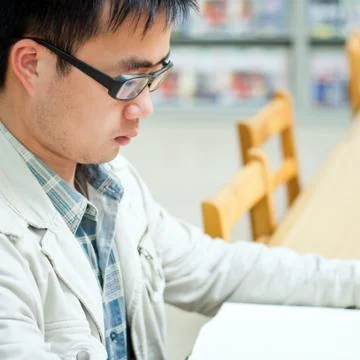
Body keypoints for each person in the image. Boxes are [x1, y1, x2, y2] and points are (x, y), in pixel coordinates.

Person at [0, 1, 359, 359]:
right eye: (128, 82)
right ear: (32, 65)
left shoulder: (104, 176)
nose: (145, 107)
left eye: (155, 77)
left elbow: (214, 268)